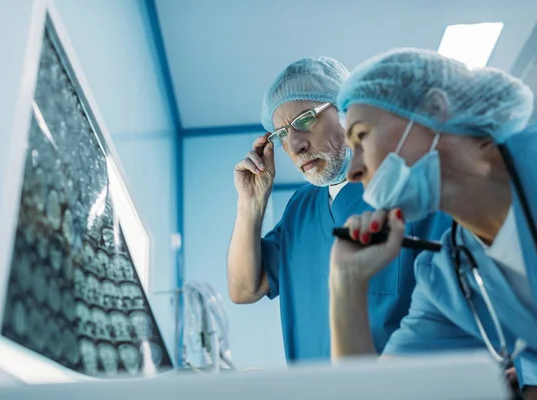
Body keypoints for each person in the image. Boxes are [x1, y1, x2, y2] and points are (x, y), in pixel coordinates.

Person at [329, 47, 537, 394]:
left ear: (434, 109)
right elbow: (372, 394)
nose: (353, 171)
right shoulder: (451, 280)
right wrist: (345, 284)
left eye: (362, 136)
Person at [226, 56, 451, 363]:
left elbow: (456, 309)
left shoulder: (406, 186)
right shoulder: (300, 209)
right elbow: (244, 289)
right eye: (281, 135)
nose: (295, 145)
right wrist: (250, 204)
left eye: (305, 120)